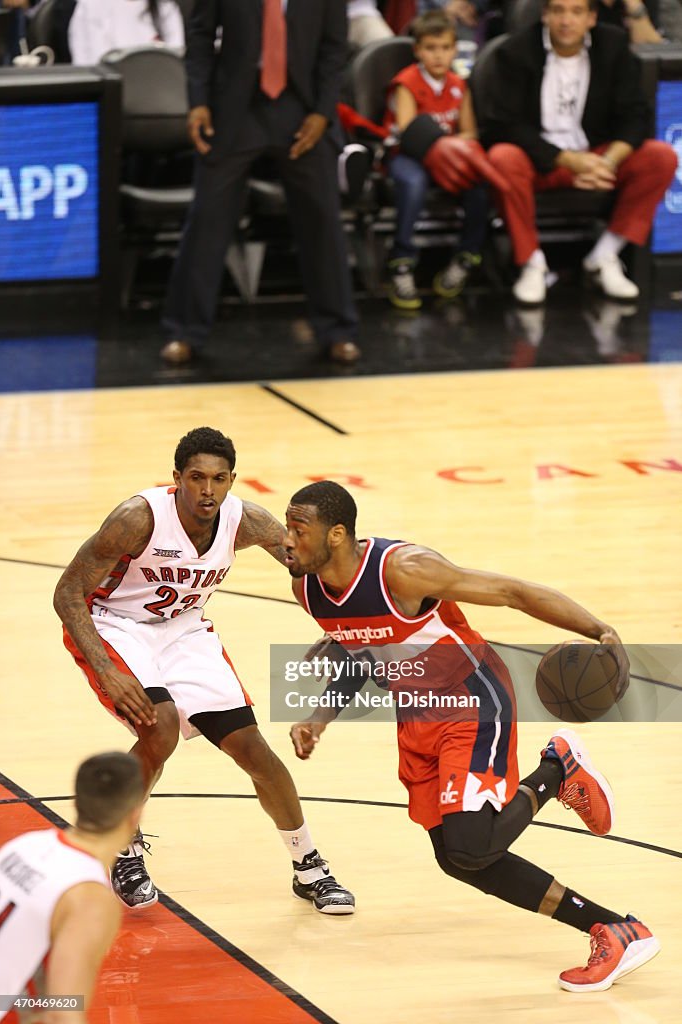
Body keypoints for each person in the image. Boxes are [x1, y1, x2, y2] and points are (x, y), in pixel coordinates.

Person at [283, 480, 660, 992]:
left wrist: (602, 631)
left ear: (337, 535)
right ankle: (613, 929)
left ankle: (558, 770)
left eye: (298, 530)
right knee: (459, 859)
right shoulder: (308, 588)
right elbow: (362, 650)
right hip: (417, 713)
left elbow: (514, 593)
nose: (287, 540)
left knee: (471, 842)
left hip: (471, 698)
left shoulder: (405, 570)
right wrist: (319, 717)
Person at [53, 427, 354, 916]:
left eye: (218, 479)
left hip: (184, 631)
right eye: (196, 478)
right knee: (161, 727)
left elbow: (309, 571)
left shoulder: (246, 521)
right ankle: (122, 845)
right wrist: (106, 668)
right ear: (177, 479)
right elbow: (67, 593)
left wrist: (343, 628)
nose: (207, 490)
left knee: (253, 749)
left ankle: (309, 867)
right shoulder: (136, 519)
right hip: (117, 626)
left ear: (233, 480)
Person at [161, 0, 361, 366]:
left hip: (302, 107)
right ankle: (185, 331)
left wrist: (322, 111)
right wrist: (198, 101)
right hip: (236, 106)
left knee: (322, 218)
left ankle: (338, 330)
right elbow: (201, 37)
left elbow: (335, 48)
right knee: (207, 217)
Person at [481, 0, 677, 305]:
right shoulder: (516, 52)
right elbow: (504, 124)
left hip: (596, 158)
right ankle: (531, 262)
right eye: (558, 10)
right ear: (545, 15)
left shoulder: (613, 46)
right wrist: (569, 161)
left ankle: (605, 255)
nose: (566, 20)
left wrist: (607, 162)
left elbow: (636, 115)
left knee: (661, 157)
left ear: (591, 18)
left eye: (576, 12)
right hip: (542, 160)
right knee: (502, 158)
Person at [0, 752, 144, 1024]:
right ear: (135, 814)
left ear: (77, 803)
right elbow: (62, 1012)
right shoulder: (89, 898)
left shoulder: (23, 846)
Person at [383, 10, 491, 309]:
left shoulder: (459, 84)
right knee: (413, 182)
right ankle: (401, 262)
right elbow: (409, 133)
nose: (439, 56)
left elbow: (469, 132)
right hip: (409, 156)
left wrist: (452, 147)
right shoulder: (407, 82)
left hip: (445, 157)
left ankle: (466, 256)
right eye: (431, 48)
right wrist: (446, 145)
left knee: (477, 184)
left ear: (455, 48)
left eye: (445, 48)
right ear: (417, 50)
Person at [68, 0, 185, 65]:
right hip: (108, 96)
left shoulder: (166, 8)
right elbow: (85, 64)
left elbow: (175, 60)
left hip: (158, 94)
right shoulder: (90, 6)